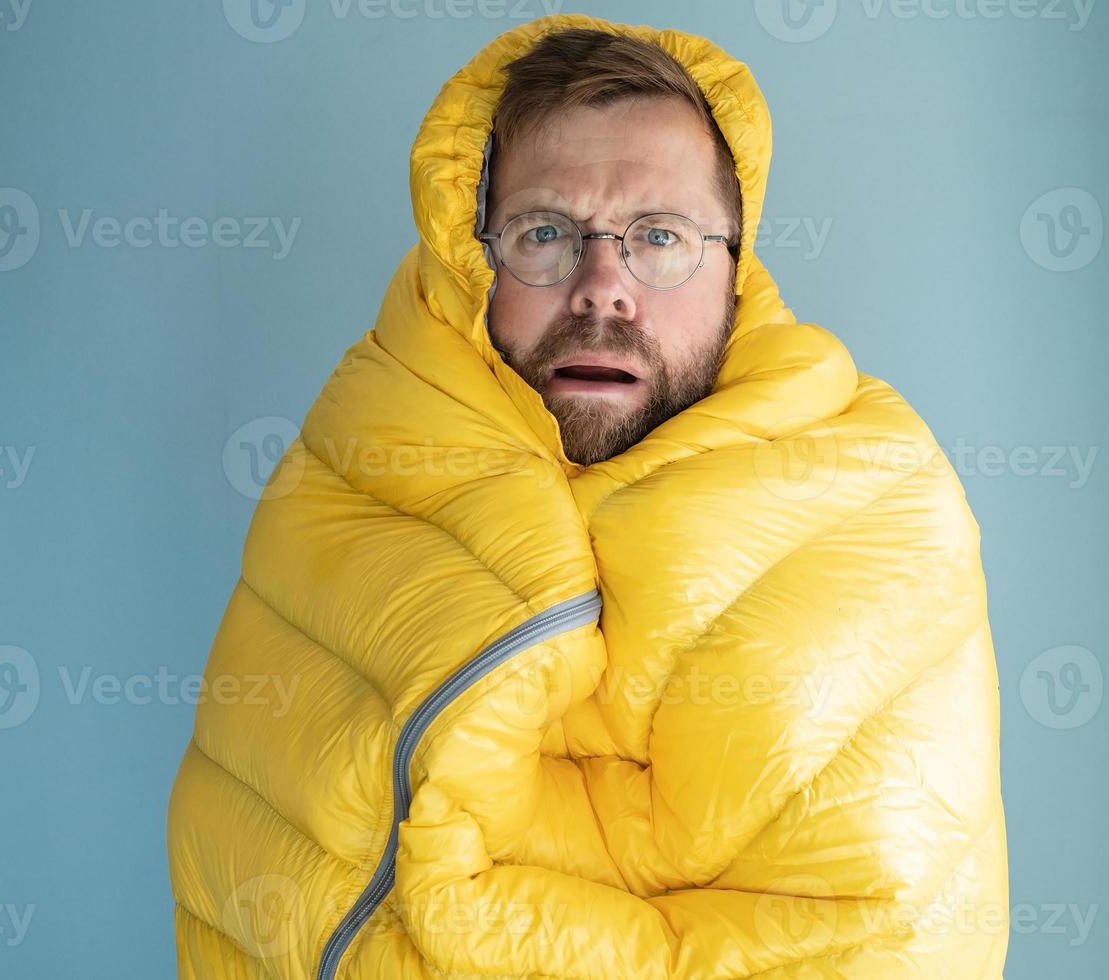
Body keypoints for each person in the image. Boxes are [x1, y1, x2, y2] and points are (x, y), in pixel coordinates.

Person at [168, 14, 1009, 978]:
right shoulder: (357, 462)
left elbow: (874, 934)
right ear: (470, 254)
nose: (603, 287)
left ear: (738, 266)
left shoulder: (867, 502)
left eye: (661, 237)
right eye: (545, 233)